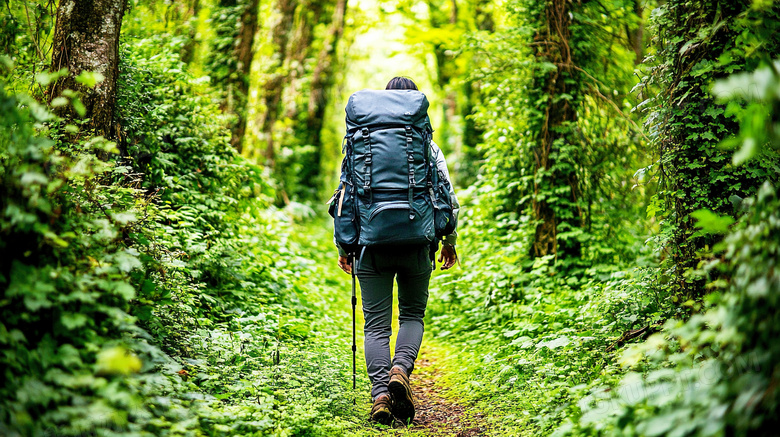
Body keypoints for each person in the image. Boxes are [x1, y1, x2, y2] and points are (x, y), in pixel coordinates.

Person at [335, 76, 460, 425]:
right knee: (411, 316)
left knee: (375, 327)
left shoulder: (361, 142)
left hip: (370, 244)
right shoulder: (427, 146)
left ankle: (380, 397)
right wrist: (448, 241)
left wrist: (345, 245)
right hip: (417, 241)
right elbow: (447, 198)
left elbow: (346, 195)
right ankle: (400, 370)